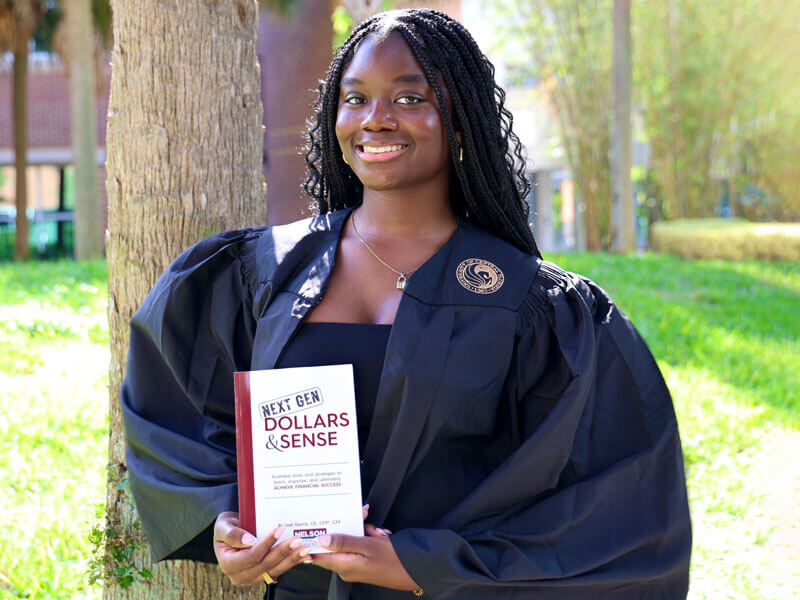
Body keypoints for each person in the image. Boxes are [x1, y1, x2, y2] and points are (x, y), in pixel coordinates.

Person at [122, 8, 691, 599]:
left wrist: (426, 564)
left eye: (410, 98)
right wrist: (226, 524)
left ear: (462, 121)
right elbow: (178, 413)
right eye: (356, 98)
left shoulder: (535, 306)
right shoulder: (259, 273)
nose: (376, 120)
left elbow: (615, 499)